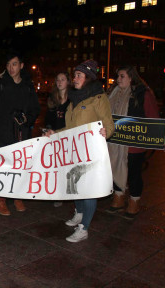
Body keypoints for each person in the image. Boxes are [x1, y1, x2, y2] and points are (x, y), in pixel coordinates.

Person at [45, 60, 114, 242]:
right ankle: (80, 213)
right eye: (74, 75)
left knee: (89, 189)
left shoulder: (98, 98)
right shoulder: (73, 100)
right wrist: (55, 133)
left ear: (88, 78)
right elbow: (71, 128)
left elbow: (109, 124)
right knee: (75, 185)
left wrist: (106, 132)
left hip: (90, 152)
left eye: (78, 75)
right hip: (74, 150)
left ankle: (84, 228)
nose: (74, 79)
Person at [0, 51, 40, 216]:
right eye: (8, 65)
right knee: (4, 167)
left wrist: (27, 119)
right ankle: (1, 199)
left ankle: (17, 196)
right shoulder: (1, 83)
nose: (11, 68)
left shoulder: (28, 85)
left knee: (20, 166)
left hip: (21, 132)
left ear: (21, 66)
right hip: (3, 132)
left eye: (14, 64)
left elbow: (35, 108)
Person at [105, 66, 162, 219]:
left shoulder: (142, 94)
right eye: (118, 76)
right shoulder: (113, 94)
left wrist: (159, 137)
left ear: (131, 78)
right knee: (116, 166)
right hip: (115, 142)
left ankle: (134, 201)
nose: (118, 80)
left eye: (122, 76)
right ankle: (118, 197)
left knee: (134, 174)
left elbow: (152, 117)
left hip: (134, 144)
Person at [44, 72, 71, 208]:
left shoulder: (73, 99)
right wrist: (47, 130)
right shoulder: (52, 99)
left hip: (68, 136)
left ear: (68, 82)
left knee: (67, 166)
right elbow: (48, 119)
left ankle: (68, 191)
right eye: (58, 79)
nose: (60, 82)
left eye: (63, 79)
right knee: (55, 166)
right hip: (54, 135)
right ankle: (57, 193)